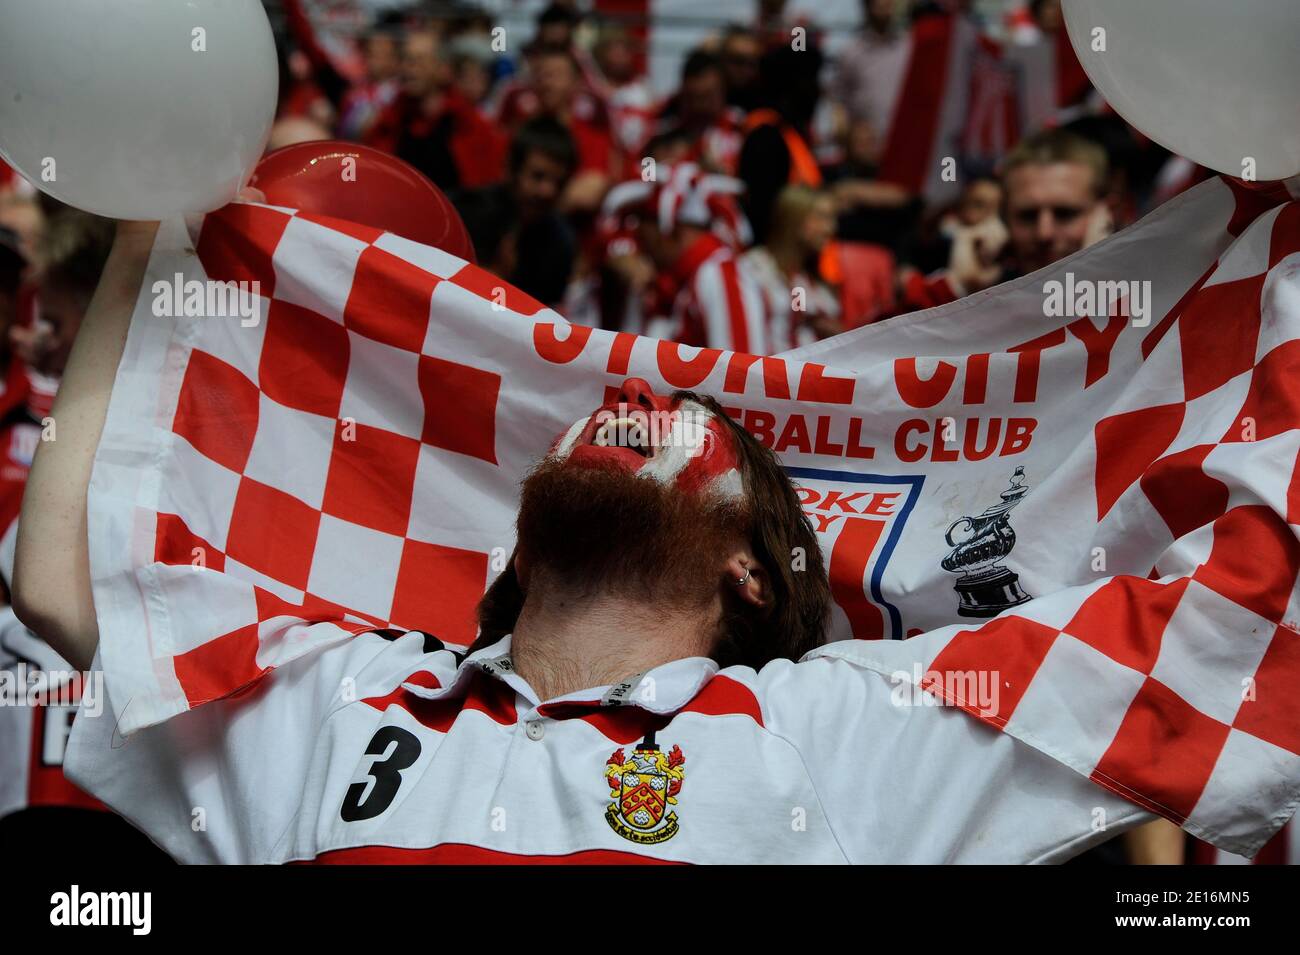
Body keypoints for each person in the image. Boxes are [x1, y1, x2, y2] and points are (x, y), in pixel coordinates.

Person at [13, 217, 1165, 860]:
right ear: (518, 550)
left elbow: (1199, 652)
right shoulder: (348, 694)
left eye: (685, 429)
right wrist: (147, 229)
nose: (639, 410)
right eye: (615, 416)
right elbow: (66, 586)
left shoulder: (832, 727)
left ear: (750, 571)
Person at [454, 116, 580, 308]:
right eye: (538, 176)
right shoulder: (467, 214)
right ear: (511, 169)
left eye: (559, 182)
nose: (548, 191)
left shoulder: (560, 240)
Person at [366, 28, 506, 192]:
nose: (409, 68)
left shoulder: (469, 125)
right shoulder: (389, 121)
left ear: (443, 70)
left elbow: (485, 184)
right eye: (406, 60)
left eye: (419, 61)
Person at [740, 185, 842, 350]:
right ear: (794, 218)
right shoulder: (754, 267)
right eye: (822, 217)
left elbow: (798, 311)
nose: (830, 228)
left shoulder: (804, 280)